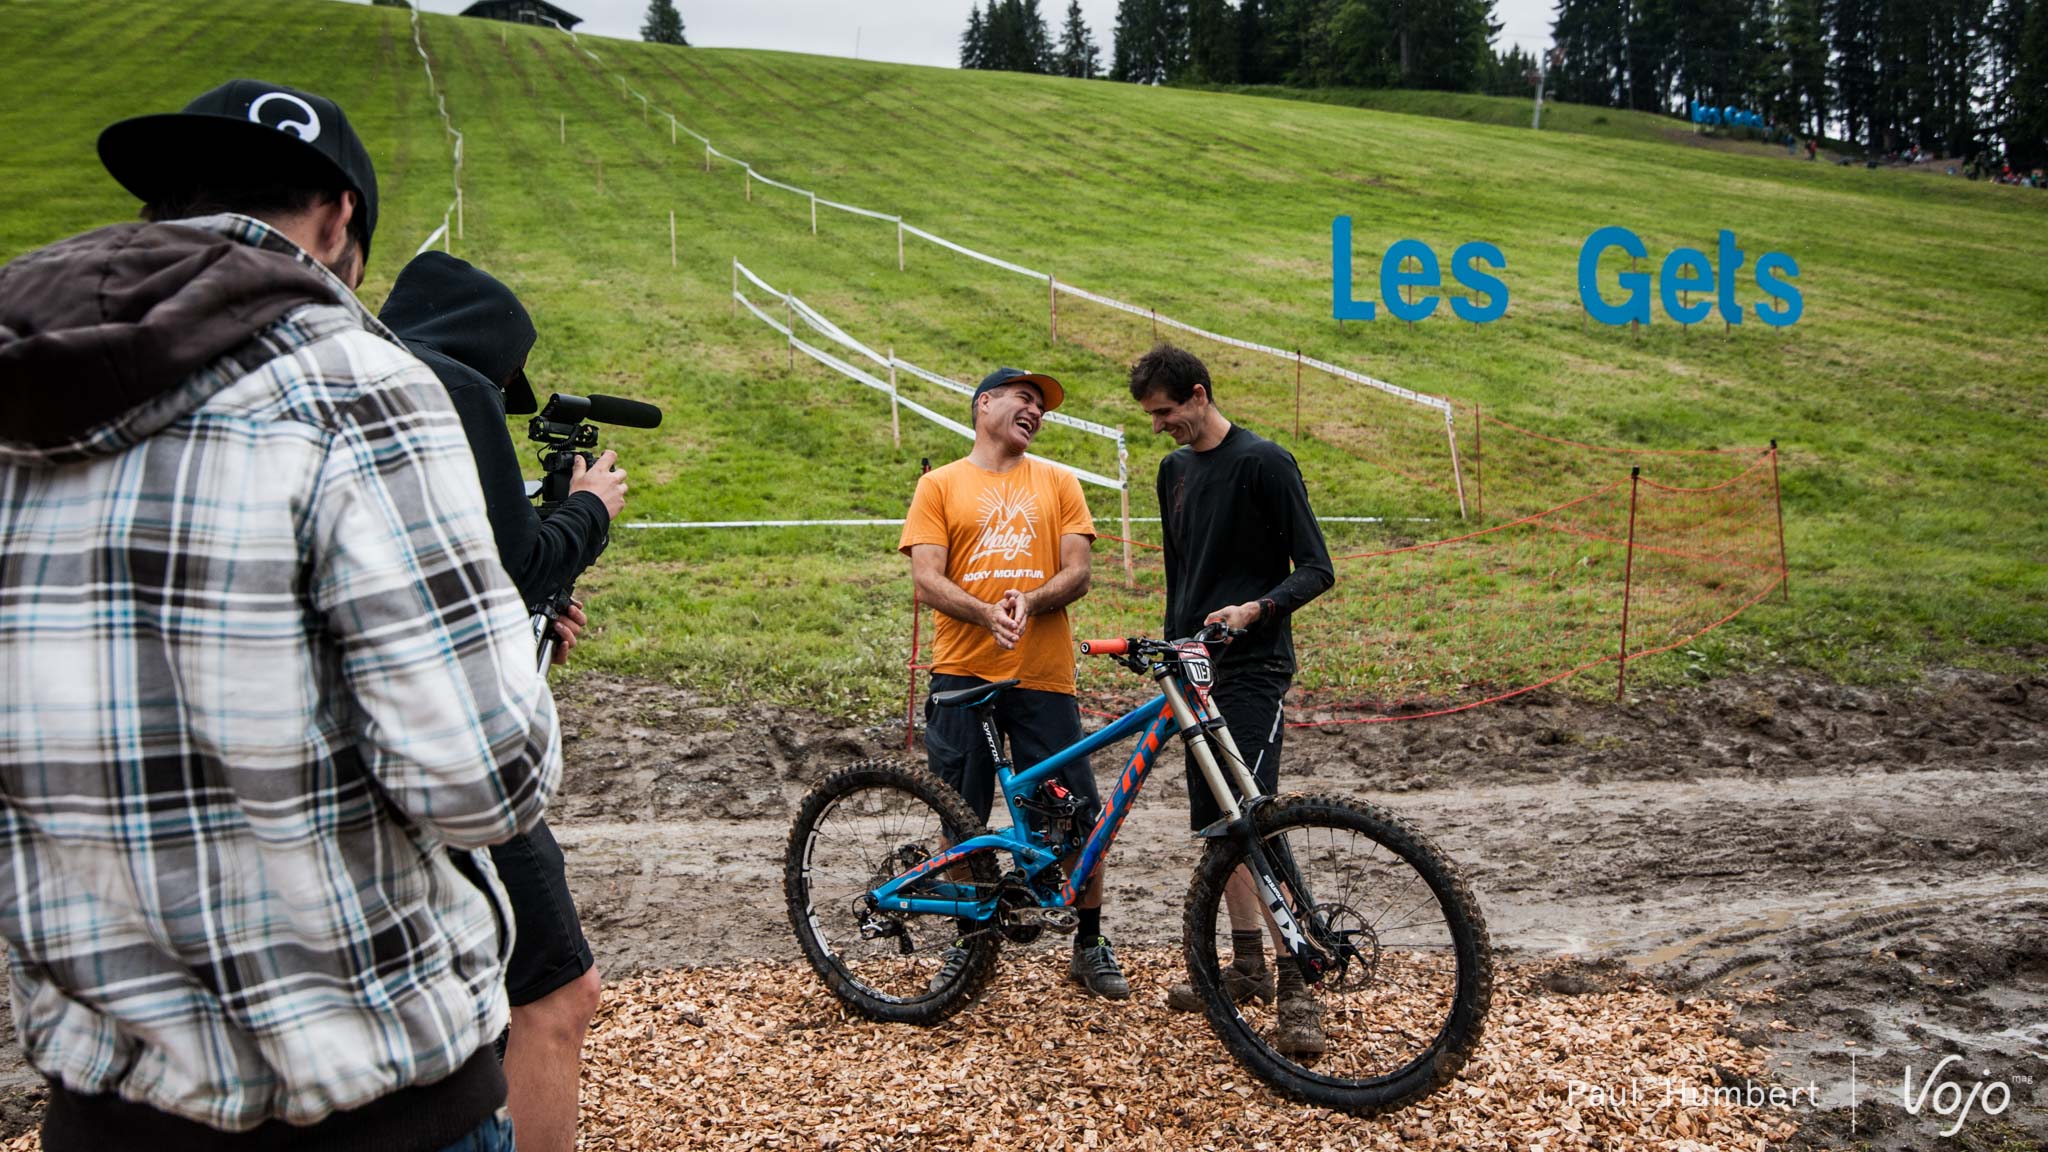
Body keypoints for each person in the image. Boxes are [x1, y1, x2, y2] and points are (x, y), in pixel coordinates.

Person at [0, 79, 558, 1151]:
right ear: (342, 217)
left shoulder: (18, 388)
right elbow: (487, 778)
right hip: (363, 1092)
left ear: (159, 201)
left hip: (108, 1093)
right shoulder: (355, 381)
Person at [379, 251, 624, 1152]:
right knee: (560, 992)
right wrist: (590, 509)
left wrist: (517, 614)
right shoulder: (452, 385)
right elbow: (520, 560)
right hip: (447, 744)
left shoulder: (347, 385)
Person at [1126, 343, 1335, 1054]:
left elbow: (1317, 568)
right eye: (1150, 417)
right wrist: (1167, 650)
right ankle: (1246, 963)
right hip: (1190, 670)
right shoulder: (1173, 470)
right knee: (1219, 826)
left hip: (1251, 669)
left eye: (1165, 412)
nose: (1158, 426)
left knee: (1254, 819)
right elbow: (1179, 572)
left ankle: (1297, 982)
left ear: (1198, 393)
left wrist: (1256, 610)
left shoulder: (1264, 463)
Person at [899, 367, 1127, 999]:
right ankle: (969, 948)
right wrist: (985, 612)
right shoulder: (940, 485)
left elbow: (1078, 571)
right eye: (1025, 399)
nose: (1036, 411)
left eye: (1042, 406)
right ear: (984, 405)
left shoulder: (1058, 481)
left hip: (1043, 674)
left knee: (1077, 812)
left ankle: (1090, 941)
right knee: (960, 815)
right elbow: (927, 577)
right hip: (961, 673)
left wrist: (1027, 599)